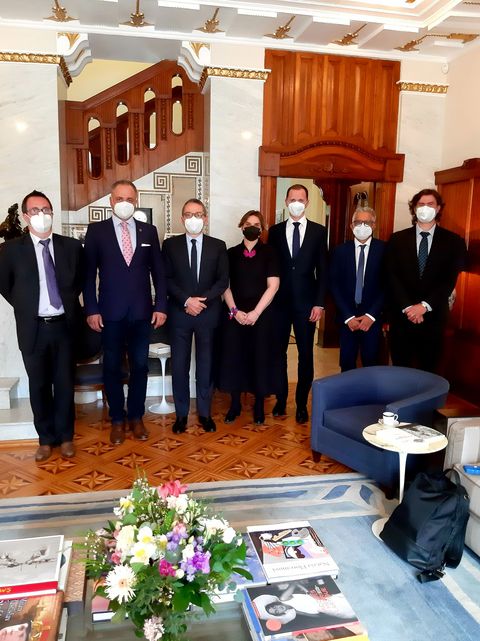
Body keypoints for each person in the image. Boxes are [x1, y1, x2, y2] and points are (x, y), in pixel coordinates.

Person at [0, 191, 83, 463]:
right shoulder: (11, 250)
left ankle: (66, 437)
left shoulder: (71, 247)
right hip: (33, 328)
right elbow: (5, 285)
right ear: (26, 216)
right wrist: (26, 305)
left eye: (46, 209)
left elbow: (79, 282)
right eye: (35, 210)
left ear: (52, 212)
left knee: (65, 384)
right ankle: (45, 440)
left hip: (64, 327)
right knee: (38, 386)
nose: (42, 214)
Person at [83, 180, 167, 445]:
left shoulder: (148, 231)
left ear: (136, 201)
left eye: (130, 199)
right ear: (111, 201)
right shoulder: (96, 231)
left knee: (140, 366)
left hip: (142, 312)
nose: (124, 203)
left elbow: (159, 273)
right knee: (111, 367)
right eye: (119, 199)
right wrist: (91, 309)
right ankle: (117, 420)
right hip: (110, 313)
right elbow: (88, 275)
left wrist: (161, 305)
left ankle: (136, 417)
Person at [162, 198, 228, 434]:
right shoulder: (170, 245)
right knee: (180, 366)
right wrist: (187, 301)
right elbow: (166, 279)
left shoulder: (218, 246)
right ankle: (181, 415)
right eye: (189, 214)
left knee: (205, 365)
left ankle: (205, 413)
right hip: (180, 313)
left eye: (198, 214)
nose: (193, 219)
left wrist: (202, 301)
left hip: (208, 314)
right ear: (182, 218)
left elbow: (222, 280)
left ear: (205, 218)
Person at [386, 188, 467, 372]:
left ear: (438, 208)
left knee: (429, 371)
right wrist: (408, 307)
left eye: (430, 204)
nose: (425, 208)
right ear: (414, 208)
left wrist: (424, 306)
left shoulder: (453, 241)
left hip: (433, 318)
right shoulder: (397, 239)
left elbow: (448, 280)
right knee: (400, 371)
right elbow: (391, 276)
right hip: (402, 318)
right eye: (421, 204)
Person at [268, 184, 328, 423]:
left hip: (307, 304)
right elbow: (270, 268)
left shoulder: (318, 231)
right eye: (292, 199)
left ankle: (302, 404)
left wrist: (319, 303)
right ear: (286, 201)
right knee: (278, 354)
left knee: (306, 355)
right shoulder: (274, 231)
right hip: (279, 304)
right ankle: (281, 399)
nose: (296, 203)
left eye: (300, 199)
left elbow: (323, 271)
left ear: (307, 203)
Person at [217, 211, 280, 424]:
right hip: (235, 314)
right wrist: (235, 311)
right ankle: (234, 404)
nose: (251, 227)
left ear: (261, 228)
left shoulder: (270, 252)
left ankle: (259, 404)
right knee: (235, 356)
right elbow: (225, 285)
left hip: (261, 314)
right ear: (241, 226)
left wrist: (256, 313)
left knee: (259, 357)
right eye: (248, 223)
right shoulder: (230, 253)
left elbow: (273, 286)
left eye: (256, 224)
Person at [329, 207, 386, 371]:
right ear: (351, 225)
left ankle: (369, 390)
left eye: (366, 222)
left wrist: (371, 315)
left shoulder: (384, 250)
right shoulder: (340, 251)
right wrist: (348, 317)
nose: (362, 226)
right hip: (347, 319)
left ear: (374, 225)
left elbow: (387, 286)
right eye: (358, 222)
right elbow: (334, 284)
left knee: (371, 363)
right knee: (347, 363)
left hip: (372, 319)